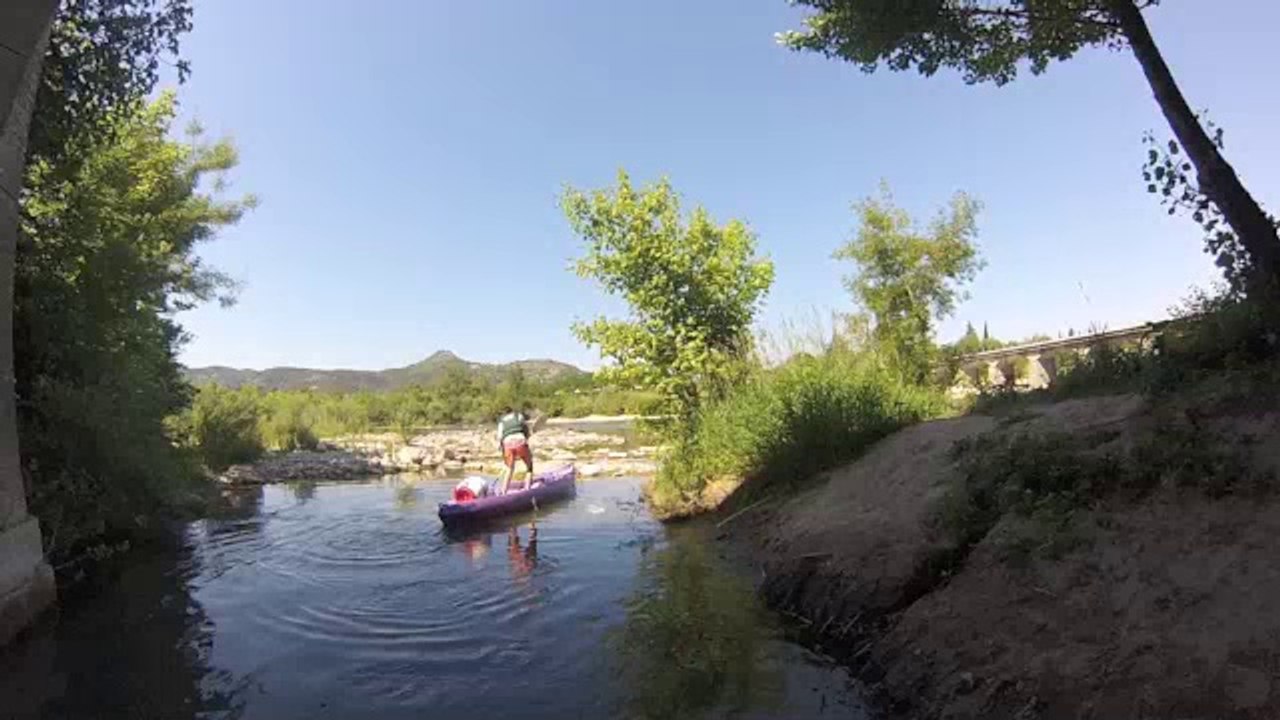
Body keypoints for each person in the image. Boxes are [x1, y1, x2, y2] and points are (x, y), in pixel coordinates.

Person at [496, 405, 533, 494]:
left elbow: (499, 438)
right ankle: (527, 489)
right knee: (529, 466)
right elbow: (526, 430)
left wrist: (503, 451)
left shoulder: (501, 422)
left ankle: (504, 491)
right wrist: (527, 436)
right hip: (520, 441)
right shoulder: (518, 416)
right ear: (511, 411)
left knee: (509, 468)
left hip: (507, 444)